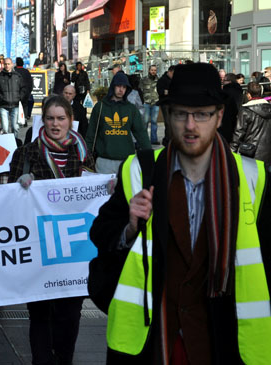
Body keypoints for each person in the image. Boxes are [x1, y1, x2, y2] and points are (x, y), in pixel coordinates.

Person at [90, 62, 271, 364]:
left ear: (219, 116)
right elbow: (101, 235)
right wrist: (129, 229)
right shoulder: (139, 170)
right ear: (168, 116)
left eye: (201, 114)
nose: (190, 125)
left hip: (224, 341)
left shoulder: (254, 178)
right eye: (181, 114)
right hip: (152, 340)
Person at [8, 95, 89, 365]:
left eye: (61, 118)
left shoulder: (83, 152)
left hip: (73, 249)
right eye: (50, 118)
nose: (55, 124)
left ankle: (64, 359)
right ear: (43, 121)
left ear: (70, 121)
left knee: (70, 314)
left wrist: (106, 188)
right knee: (41, 314)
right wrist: (20, 185)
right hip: (39, 247)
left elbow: (92, 190)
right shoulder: (26, 153)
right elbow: (10, 200)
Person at [85, 72, 151, 174]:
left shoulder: (131, 109)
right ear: (113, 86)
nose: (121, 89)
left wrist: (149, 155)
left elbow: (141, 133)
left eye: (124, 87)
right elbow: (91, 133)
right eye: (118, 86)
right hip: (104, 161)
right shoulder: (100, 107)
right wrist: (86, 156)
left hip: (127, 160)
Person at [231, 81, 271, 165]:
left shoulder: (245, 111)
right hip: (268, 152)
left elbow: (238, 133)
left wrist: (231, 152)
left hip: (250, 152)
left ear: (248, 95)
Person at [0, 58, 27, 135]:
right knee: (5, 129)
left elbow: (24, 88)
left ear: (12, 64)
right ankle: (6, 145)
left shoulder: (17, 76)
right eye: (5, 64)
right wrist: (1, 98)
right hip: (3, 106)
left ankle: (16, 144)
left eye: (8, 64)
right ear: (3, 65)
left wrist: (19, 97)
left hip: (15, 105)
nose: (7, 66)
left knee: (15, 127)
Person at [141, 65, 160, 144]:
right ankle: (144, 140)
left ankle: (154, 140)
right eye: (152, 70)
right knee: (145, 122)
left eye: (155, 70)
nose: (153, 71)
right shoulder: (144, 80)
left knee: (154, 122)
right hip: (146, 103)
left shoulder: (159, 80)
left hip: (155, 103)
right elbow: (140, 90)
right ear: (149, 70)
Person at [157, 65, 175, 145]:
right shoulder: (162, 80)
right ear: (169, 72)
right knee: (168, 123)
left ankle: (169, 138)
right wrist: (168, 92)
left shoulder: (174, 80)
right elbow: (160, 91)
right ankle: (168, 139)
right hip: (165, 103)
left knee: (173, 123)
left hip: (173, 104)